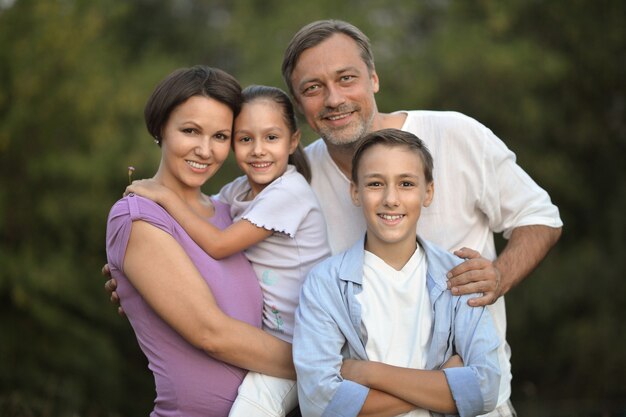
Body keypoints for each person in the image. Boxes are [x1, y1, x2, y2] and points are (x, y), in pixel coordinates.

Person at [281, 19, 563, 415]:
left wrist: (500, 275)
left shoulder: (456, 134)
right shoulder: (297, 183)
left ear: (374, 78)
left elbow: (541, 217)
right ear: (298, 104)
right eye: (313, 88)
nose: (333, 99)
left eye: (347, 78)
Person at [124, 85, 331, 417]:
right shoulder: (238, 192)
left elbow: (218, 244)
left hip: (309, 340)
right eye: (244, 139)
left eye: (271, 138)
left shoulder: (289, 192)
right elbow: (200, 221)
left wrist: (164, 197)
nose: (258, 150)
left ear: (293, 141)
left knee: (253, 409)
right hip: (277, 339)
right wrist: (130, 275)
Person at [294, 128, 501, 417]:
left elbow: (486, 389)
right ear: (356, 192)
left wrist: (369, 373)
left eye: (406, 183)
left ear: (428, 192)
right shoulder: (325, 284)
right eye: (376, 184)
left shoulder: (459, 277)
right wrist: (443, 382)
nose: (391, 199)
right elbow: (320, 404)